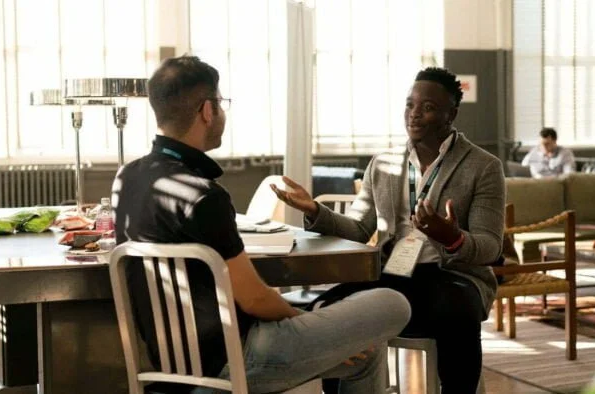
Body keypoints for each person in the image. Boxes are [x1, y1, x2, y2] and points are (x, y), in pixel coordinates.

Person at [112, 55, 411, 394]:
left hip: (171, 367)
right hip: (236, 361)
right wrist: (307, 323)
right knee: (392, 302)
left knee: (365, 355)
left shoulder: (127, 178)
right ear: (207, 110)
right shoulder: (205, 196)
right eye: (221, 104)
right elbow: (255, 300)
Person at [272, 67, 505, 393]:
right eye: (410, 105)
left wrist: (452, 237)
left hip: (453, 275)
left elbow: (491, 245)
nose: (414, 115)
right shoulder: (381, 163)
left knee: (457, 313)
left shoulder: (483, 166)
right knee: (330, 312)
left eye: (428, 107)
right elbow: (357, 228)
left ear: (451, 114)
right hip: (394, 272)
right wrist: (313, 210)